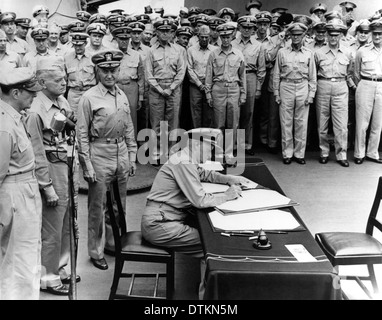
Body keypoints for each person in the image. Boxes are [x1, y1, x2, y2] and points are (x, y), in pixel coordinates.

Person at [141, 128, 251, 299]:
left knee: (209, 237)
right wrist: (227, 195)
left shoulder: (185, 158)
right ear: (198, 145)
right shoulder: (183, 162)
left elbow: (204, 174)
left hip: (164, 218)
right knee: (210, 245)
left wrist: (228, 179)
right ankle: (206, 298)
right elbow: (200, 200)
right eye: (210, 148)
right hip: (160, 224)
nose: (210, 154)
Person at [76, 49, 137, 271]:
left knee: (119, 204)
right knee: (98, 206)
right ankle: (96, 251)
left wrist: (132, 155)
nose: (109, 74)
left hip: (120, 151)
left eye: (113, 70)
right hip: (99, 152)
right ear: (97, 71)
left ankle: (114, 243)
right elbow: (81, 134)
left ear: (119, 70)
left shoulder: (121, 94)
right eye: (105, 70)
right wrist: (87, 164)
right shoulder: (89, 98)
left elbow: (128, 126)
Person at [25, 55, 80, 296]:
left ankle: (62, 268)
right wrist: (46, 187)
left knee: (67, 224)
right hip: (50, 170)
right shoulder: (35, 110)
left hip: (66, 168)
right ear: (42, 83)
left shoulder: (62, 101)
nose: (63, 83)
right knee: (51, 229)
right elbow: (36, 153)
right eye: (57, 80)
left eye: (65, 79)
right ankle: (47, 278)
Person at [0, 67, 43, 300]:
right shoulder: (4, 125)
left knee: (26, 259)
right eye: (30, 92)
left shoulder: (14, 117)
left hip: (23, 191)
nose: (34, 96)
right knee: (19, 263)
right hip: (15, 196)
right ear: (15, 93)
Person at [273, 22, 317, 165]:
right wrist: (276, 93)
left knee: (301, 122)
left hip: (302, 86)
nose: (296, 38)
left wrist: (311, 95)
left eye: (299, 35)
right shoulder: (282, 52)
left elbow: (312, 76)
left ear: (304, 35)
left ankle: (299, 154)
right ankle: (287, 153)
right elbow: (276, 74)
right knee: (286, 122)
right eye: (294, 35)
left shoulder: (309, 53)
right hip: (286, 86)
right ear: (290, 36)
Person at [205, 23, 246, 166]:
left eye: (228, 37)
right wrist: (208, 94)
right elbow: (208, 76)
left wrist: (243, 94)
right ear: (220, 38)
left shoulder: (239, 54)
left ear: (232, 36)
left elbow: (243, 76)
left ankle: (229, 154)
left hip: (234, 89)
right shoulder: (213, 54)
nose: (226, 40)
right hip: (218, 89)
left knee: (232, 124)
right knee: (218, 124)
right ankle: (218, 153)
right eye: (223, 37)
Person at [145, 18, 186, 162]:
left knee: (172, 123)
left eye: (168, 31)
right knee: (157, 123)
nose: (165, 34)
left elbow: (181, 72)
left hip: (173, 89)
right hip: (156, 90)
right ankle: (157, 154)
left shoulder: (179, 50)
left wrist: (171, 88)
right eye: (162, 31)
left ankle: (171, 153)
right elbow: (148, 74)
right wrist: (159, 89)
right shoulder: (150, 51)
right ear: (156, 32)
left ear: (172, 33)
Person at [314, 20, 354, 167]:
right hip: (323, 84)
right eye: (330, 35)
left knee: (341, 123)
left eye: (336, 35)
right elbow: (314, 71)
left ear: (341, 36)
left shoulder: (348, 52)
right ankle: (324, 152)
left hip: (341, 85)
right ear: (326, 35)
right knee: (322, 122)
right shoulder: (318, 53)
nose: (333, 38)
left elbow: (350, 72)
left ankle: (341, 154)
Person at [232, 15, 266, 155]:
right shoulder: (232, 43)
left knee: (248, 113)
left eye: (250, 28)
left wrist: (258, 87)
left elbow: (262, 68)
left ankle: (246, 144)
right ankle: (234, 145)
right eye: (244, 27)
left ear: (253, 29)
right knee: (234, 113)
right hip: (235, 78)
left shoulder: (258, 46)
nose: (246, 30)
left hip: (250, 76)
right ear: (239, 28)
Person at [353, 19, 382, 164]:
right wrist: (364, 84)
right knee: (362, 122)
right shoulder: (362, 51)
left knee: (378, 122)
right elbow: (356, 73)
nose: (377, 37)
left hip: (381, 86)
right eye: (375, 34)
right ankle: (359, 153)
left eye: (380, 34)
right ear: (371, 34)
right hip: (365, 84)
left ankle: (372, 152)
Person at [113, 25, 145, 138]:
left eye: (126, 39)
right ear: (116, 39)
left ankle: (132, 147)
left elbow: (141, 77)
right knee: (115, 116)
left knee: (132, 119)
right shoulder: (112, 54)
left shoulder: (136, 55)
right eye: (121, 39)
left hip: (132, 89)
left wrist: (140, 97)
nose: (124, 42)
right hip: (115, 88)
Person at [187, 25, 216, 128]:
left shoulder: (215, 50)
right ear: (198, 36)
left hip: (210, 86)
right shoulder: (191, 50)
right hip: (195, 85)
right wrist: (199, 84)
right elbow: (189, 69)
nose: (204, 39)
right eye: (202, 37)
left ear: (210, 37)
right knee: (196, 113)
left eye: (206, 37)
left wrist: (208, 84)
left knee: (209, 113)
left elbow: (216, 69)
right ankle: (196, 140)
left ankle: (207, 140)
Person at [64, 32, 96, 118]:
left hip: (88, 92)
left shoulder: (92, 57)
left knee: (90, 117)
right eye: (75, 45)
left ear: (85, 43)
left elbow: (98, 77)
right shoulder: (67, 58)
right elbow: (64, 79)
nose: (77, 47)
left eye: (80, 45)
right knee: (72, 119)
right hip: (73, 94)